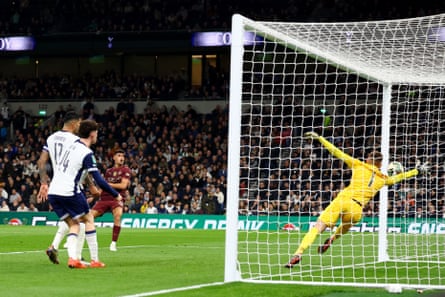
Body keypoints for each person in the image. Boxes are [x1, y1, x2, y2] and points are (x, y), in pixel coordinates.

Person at [285, 131, 430, 268]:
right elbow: (397, 178)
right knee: (347, 225)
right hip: (357, 209)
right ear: (380, 165)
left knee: (318, 228)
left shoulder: (358, 164)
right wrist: (416, 171)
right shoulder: (382, 179)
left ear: (368, 159)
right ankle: (333, 238)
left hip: (343, 200)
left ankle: (299, 253)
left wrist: (320, 138)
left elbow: (337, 152)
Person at [38, 116, 122, 269]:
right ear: (92, 134)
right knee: (88, 219)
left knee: (74, 224)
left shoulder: (62, 143)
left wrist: (44, 183)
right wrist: (115, 194)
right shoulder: (85, 151)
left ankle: (72, 258)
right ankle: (94, 259)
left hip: (53, 190)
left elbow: (42, 161)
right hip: (71, 189)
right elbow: (99, 179)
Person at [91, 149, 131, 251]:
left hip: (116, 197)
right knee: (88, 217)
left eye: (123, 156)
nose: (121, 158)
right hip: (104, 198)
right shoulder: (108, 171)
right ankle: (74, 239)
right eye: (119, 155)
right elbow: (103, 188)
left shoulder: (125, 170)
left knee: (118, 216)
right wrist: (93, 197)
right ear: (114, 157)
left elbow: (123, 185)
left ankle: (113, 243)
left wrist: (108, 184)